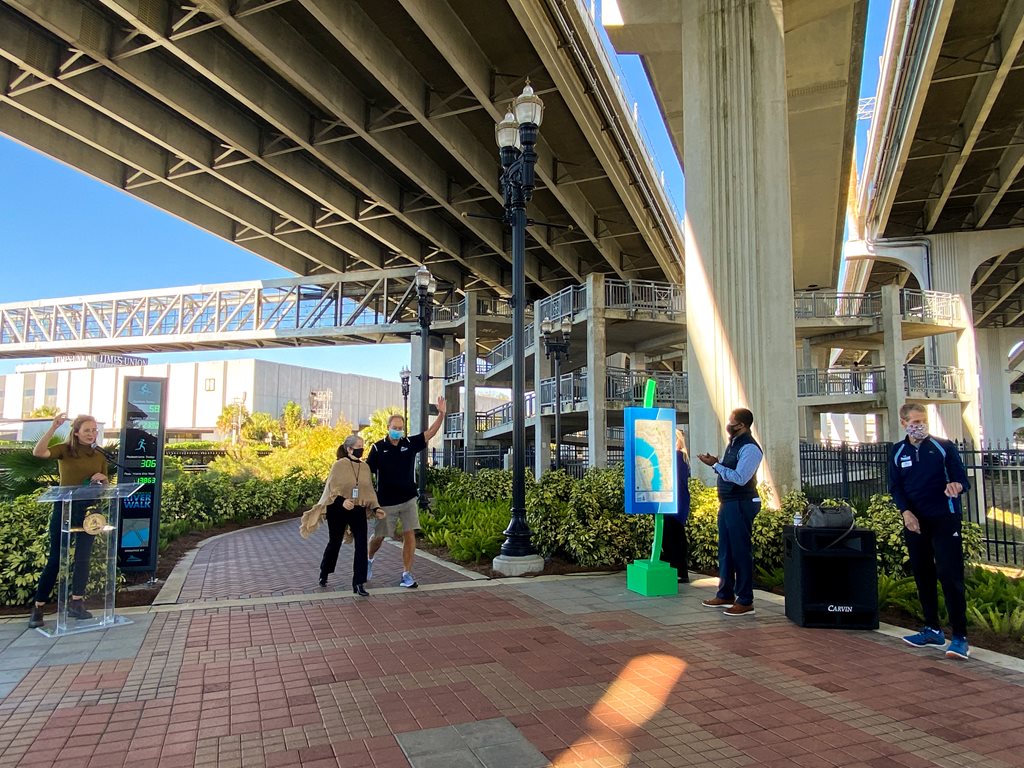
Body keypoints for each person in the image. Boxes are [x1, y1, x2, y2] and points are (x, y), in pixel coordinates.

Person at [888, 403, 971, 660]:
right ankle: (932, 628)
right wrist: (906, 513)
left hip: (944, 519)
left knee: (949, 574)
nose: (920, 425)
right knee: (923, 574)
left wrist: (957, 485)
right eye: (915, 421)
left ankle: (959, 637)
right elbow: (896, 487)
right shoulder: (897, 451)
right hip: (915, 522)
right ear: (904, 423)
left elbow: (962, 479)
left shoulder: (943, 447)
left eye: (923, 420)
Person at [28, 413, 109, 629]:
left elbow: (107, 485)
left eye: (94, 430)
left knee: (83, 557)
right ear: (76, 432)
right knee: (56, 558)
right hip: (65, 508)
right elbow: (39, 452)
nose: (92, 434)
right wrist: (53, 428)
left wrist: (103, 480)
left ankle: (76, 603)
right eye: (87, 431)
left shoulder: (99, 455)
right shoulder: (65, 450)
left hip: (89, 510)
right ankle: (38, 606)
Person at [366, 396, 447, 588]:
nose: (398, 431)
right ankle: (368, 559)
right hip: (386, 501)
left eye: (400, 428)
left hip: (408, 499)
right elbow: (366, 473)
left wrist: (442, 413)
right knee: (379, 537)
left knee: (409, 533)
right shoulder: (378, 448)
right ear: (387, 427)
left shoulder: (409, 444)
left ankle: (407, 574)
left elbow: (429, 433)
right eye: (394, 427)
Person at [299, 435, 385, 596]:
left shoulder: (365, 467)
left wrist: (376, 508)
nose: (361, 449)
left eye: (363, 446)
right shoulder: (338, 466)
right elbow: (331, 490)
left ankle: (359, 582)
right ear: (349, 449)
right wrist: (342, 501)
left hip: (357, 509)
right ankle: (324, 572)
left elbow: (369, 491)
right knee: (335, 542)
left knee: (361, 545)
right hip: (338, 510)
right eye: (358, 446)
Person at [697, 408, 763, 617]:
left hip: (741, 503)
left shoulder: (750, 448)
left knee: (740, 552)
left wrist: (716, 465)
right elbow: (730, 470)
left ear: (742, 425)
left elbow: (740, 477)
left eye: (731, 422)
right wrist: (718, 462)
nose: (729, 424)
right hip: (728, 503)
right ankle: (725, 593)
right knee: (726, 551)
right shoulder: (734, 443)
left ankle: (745, 600)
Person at [661, 428, 691, 583]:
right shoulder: (682, 458)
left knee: (673, 538)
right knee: (673, 538)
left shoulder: (677, 457)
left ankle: (679, 571)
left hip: (673, 504)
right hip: (675, 503)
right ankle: (678, 570)